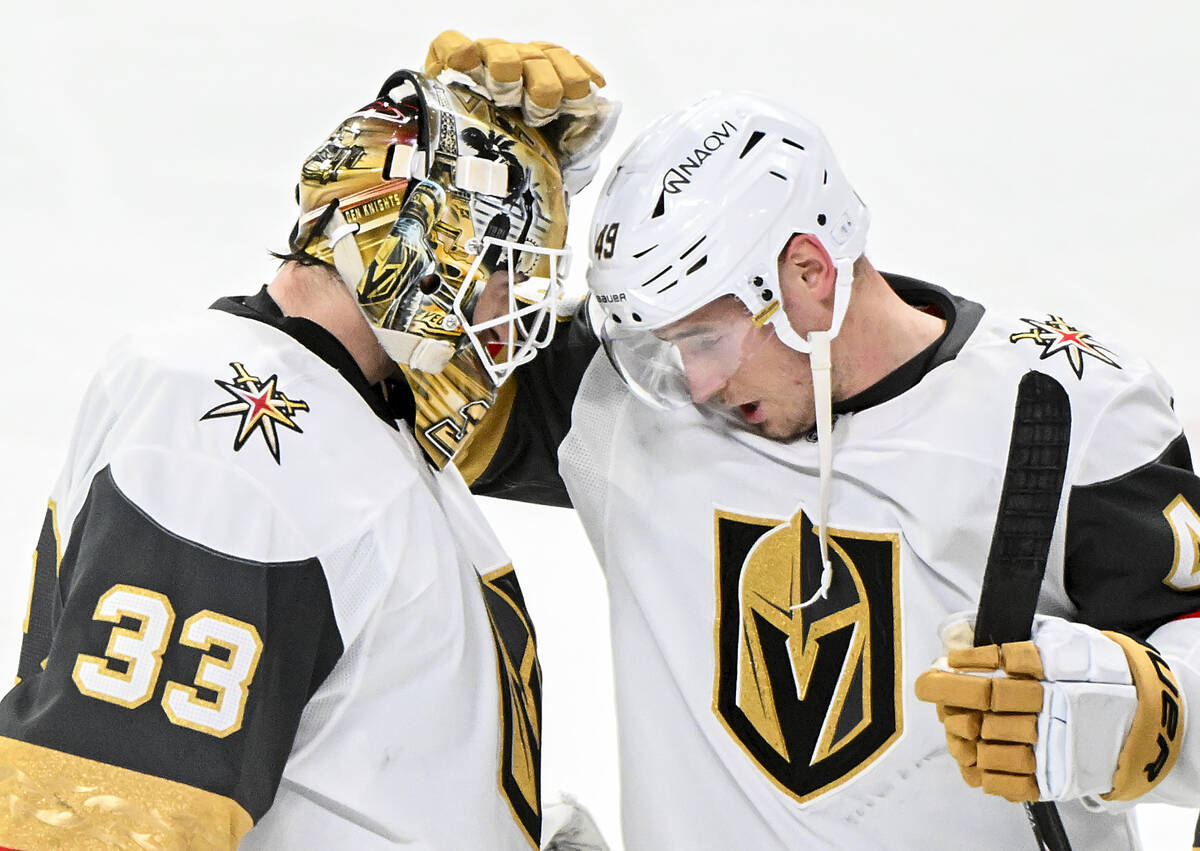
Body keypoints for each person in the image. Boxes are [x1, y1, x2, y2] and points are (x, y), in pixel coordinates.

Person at [425, 32, 1200, 849]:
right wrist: (471, 195)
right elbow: (402, 383)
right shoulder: (622, 396)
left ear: (808, 271)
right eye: (665, 350)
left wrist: (1146, 710)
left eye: (705, 340)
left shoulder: (1063, 410)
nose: (694, 386)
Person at [0, 66, 608, 850]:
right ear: (428, 250)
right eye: (509, 267)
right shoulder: (234, 431)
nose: (516, 307)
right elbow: (107, 811)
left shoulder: (357, 429)